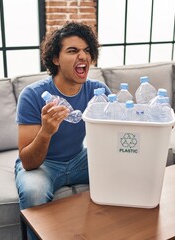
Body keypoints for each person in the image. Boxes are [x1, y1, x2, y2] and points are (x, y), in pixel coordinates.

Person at [14, 21, 111, 239]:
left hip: (79, 158)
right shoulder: (32, 95)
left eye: (87, 50)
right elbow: (28, 161)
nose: (83, 56)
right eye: (73, 50)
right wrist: (46, 131)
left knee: (121, 169)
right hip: (44, 165)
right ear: (56, 59)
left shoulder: (98, 91)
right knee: (33, 191)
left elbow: (116, 132)